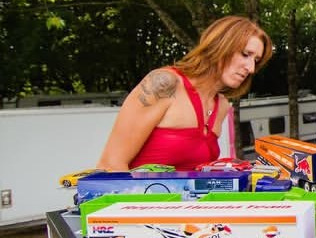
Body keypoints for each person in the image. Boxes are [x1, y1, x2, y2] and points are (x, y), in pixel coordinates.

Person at [97, 16, 273, 170]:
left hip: (192, 206)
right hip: (142, 205)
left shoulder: (221, 105)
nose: (250, 68)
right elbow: (110, 165)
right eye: (245, 54)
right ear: (220, 45)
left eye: (255, 61)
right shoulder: (163, 83)